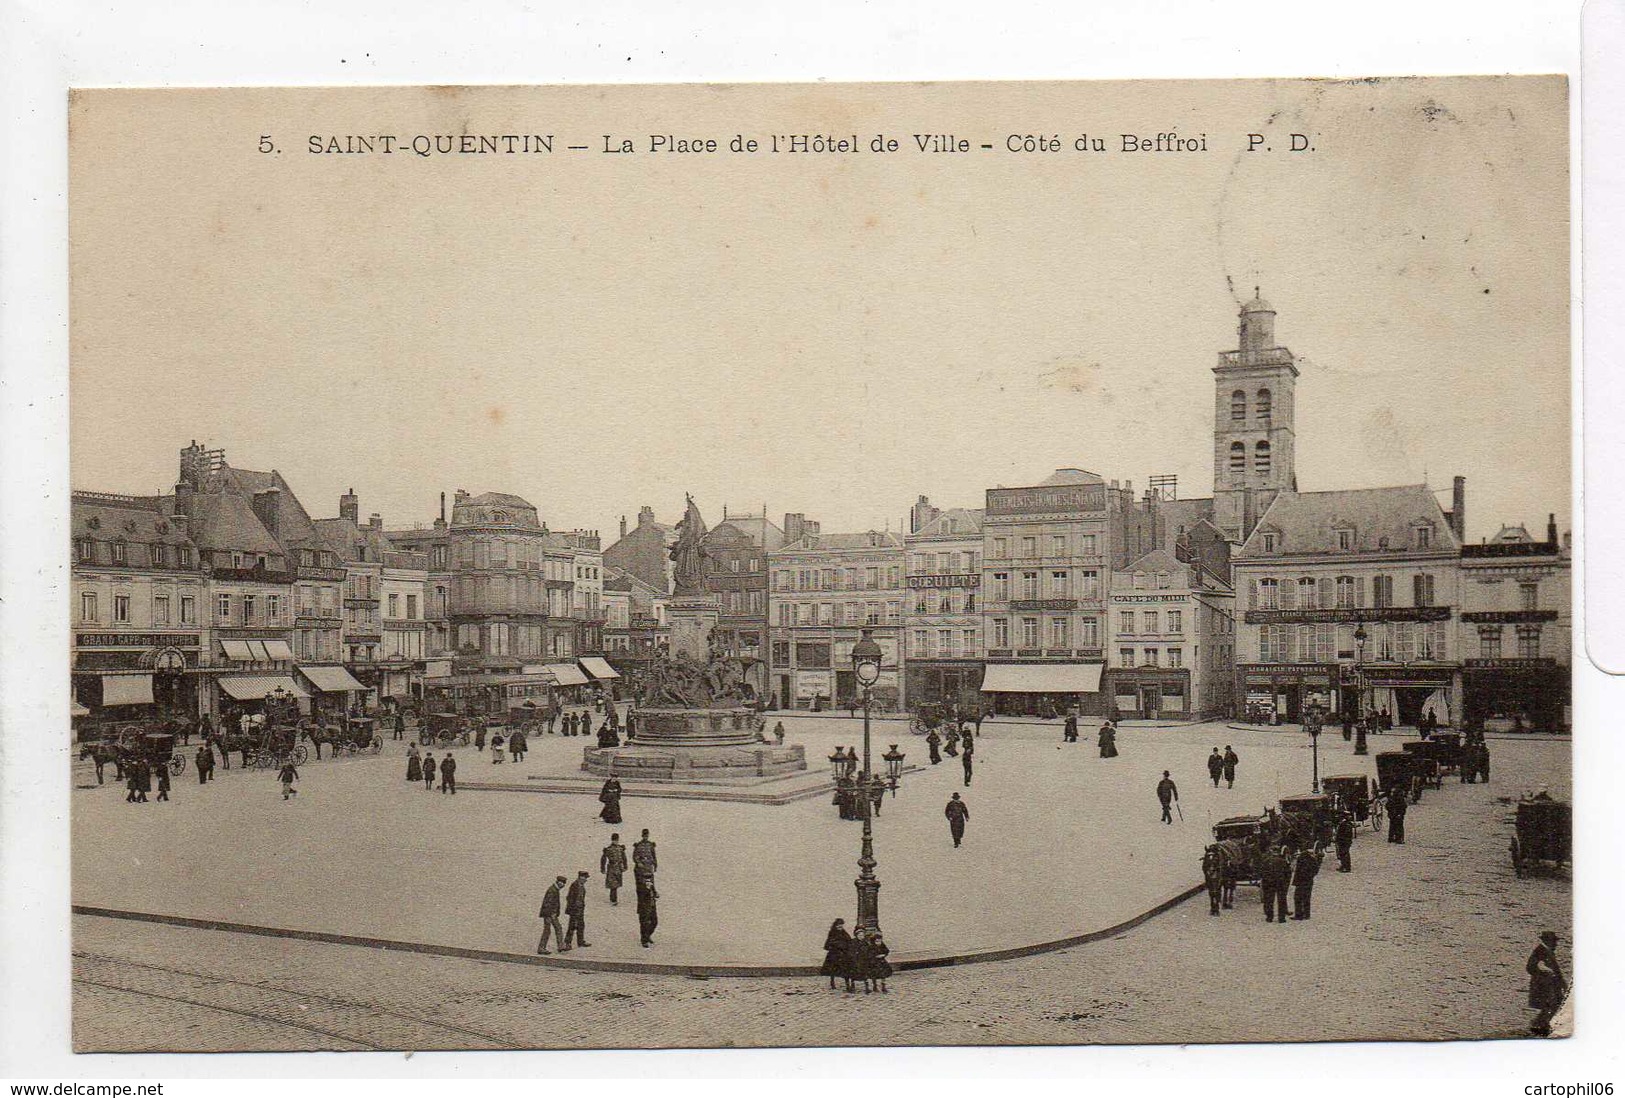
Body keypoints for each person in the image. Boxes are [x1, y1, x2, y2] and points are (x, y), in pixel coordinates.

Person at [1527, 931, 1567, 1036]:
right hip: (1543, 986)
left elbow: (1556, 970)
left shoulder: (1546, 950)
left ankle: (1540, 1025)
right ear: (1547, 941)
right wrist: (1543, 971)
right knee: (1551, 1005)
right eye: (1554, 941)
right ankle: (1539, 1026)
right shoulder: (1540, 951)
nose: (1556, 944)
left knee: (1553, 1005)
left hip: (1550, 985)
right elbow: (1530, 967)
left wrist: (1562, 983)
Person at [1260, 844, 1291, 923]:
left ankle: (1269, 917)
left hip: (1269, 883)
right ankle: (1281, 918)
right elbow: (1288, 873)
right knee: (1281, 900)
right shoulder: (1283, 861)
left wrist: (1265, 881)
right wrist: (1286, 881)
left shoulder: (1266, 861)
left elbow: (1262, 872)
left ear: (1272, 851)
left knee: (1269, 900)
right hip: (1280, 882)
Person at [1291, 846, 1322, 919]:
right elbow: (1316, 870)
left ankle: (1299, 914)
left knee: (1298, 898)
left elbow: (1298, 870)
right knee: (1307, 897)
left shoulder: (1301, 858)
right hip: (1309, 881)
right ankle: (1307, 914)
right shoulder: (1313, 859)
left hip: (1300, 880)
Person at [537, 875, 566, 954]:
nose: (563, 885)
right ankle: (541, 948)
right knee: (547, 931)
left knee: (558, 928)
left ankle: (560, 946)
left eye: (564, 883)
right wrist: (549, 915)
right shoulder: (552, 890)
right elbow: (547, 904)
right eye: (562, 883)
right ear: (558, 882)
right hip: (549, 915)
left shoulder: (555, 889)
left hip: (553, 914)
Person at [821, 919, 852, 990]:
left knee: (846, 970)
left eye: (841, 925)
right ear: (835, 925)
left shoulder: (844, 933)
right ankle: (832, 983)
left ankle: (848, 985)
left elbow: (849, 941)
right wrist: (835, 945)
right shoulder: (832, 933)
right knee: (833, 970)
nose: (840, 926)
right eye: (838, 925)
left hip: (843, 954)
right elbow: (827, 944)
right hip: (834, 954)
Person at [564, 870, 592, 949]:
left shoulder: (581, 885)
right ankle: (567, 943)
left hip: (580, 909)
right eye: (585, 878)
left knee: (581, 926)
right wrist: (574, 908)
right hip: (574, 910)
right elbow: (570, 898)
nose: (586, 880)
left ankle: (580, 941)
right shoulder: (575, 885)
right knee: (572, 926)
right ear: (581, 877)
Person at [600, 833, 628, 905]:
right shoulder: (608, 849)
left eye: (616, 840)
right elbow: (603, 859)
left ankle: (613, 898)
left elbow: (624, 857)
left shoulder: (620, 848)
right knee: (613, 885)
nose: (615, 841)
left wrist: (625, 866)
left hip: (619, 868)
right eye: (614, 840)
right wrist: (602, 868)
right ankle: (613, 900)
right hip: (612, 867)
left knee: (617, 884)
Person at [635, 874, 659, 948]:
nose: (648, 881)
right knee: (644, 924)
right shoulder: (640, 887)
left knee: (654, 922)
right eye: (647, 880)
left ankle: (648, 935)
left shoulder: (651, 885)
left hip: (652, 906)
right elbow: (641, 897)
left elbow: (655, 893)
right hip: (644, 908)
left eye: (650, 879)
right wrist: (647, 889)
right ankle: (644, 940)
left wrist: (656, 894)